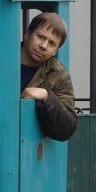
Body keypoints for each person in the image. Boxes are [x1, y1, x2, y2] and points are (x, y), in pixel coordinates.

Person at [20, 11, 77, 141]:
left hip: (29, 150)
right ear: (27, 34)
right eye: (40, 36)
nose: (44, 46)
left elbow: (67, 130)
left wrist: (46, 96)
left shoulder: (59, 74)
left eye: (52, 43)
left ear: (55, 51)